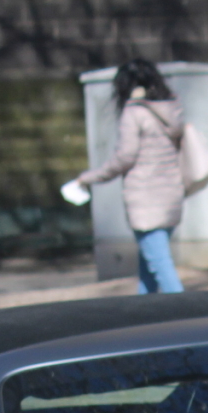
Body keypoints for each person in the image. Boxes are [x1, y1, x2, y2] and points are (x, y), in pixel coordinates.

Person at [75, 60, 189, 295]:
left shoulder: (134, 113)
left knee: (161, 268)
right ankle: (142, 318)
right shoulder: (170, 110)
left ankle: (192, 321)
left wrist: (89, 178)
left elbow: (124, 158)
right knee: (149, 267)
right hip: (171, 196)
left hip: (145, 198)